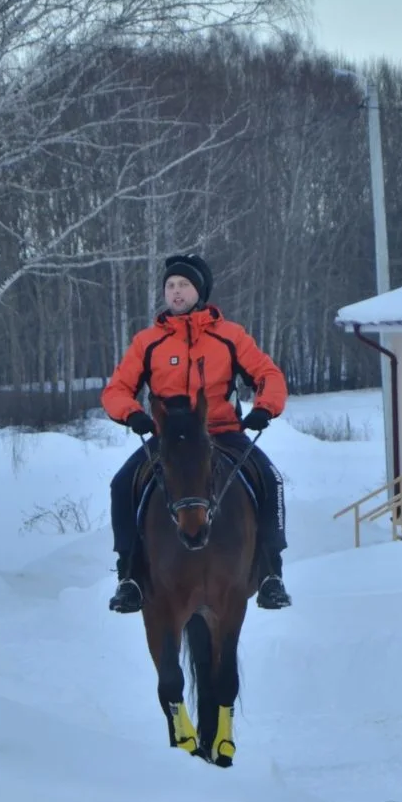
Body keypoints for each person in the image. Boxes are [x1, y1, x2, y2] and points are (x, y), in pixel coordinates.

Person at [102, 253, 293, 613]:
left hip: (221, 431)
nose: (176, 292)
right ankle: (128, 576)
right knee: (121, 483)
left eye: (184, 285)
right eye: (170, 286)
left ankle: (271, 573)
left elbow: (269, 375)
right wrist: (133, 415)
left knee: (272, 479)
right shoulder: (148, 342)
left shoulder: (230, 336)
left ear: (199, 290)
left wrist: (265, 407)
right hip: (168, 439)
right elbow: (116, 390)